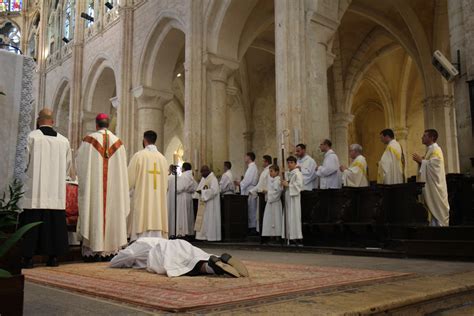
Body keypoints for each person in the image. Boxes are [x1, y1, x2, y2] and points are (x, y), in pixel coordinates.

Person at [20, 108, 72, 268]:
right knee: (54, 225)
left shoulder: (31, 137)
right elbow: (68, 165)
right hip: (55, 192)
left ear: (38, 120)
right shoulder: (64, 141)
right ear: (53, 121)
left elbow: (23, 162)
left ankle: (28, 259)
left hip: (35, 190)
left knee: (32, 224)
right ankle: (53, 258)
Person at [76, 113, 130, 261]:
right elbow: (123, 172)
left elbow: (79, 166)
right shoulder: (119, 143)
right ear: (107, 124)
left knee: (94, 210)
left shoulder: (88, 141)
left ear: (96, 124)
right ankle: (110, 250)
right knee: (113, 211)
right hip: (114, 191)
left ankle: (93, 250)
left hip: (94, 191)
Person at [110, 237, 249, 278]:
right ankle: (220, 259)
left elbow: (128, 255)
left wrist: (114, 260)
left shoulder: (139, 243)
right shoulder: (153, 237)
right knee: (197, 255)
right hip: (178, 243)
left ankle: (213, 268)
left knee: (183, 266)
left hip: (161, 252)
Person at [127, 130, 169, 241]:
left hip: (143, 199)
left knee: (142, 215)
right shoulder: (163, 159)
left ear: (144, 140)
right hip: (158, 201)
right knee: (157, 213)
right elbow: (166, 185)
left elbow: (128, 180)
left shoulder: (139, 156)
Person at [412, 129, 450, 226]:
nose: (422, 137)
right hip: (431, 186)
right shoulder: (430, 150)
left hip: (436, 187)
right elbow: (428, 164)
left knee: (437, 210)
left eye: (424, 136)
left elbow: (435, 166)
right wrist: (421, 162)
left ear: (432, 137)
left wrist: (422, 161)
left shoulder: (436, 150)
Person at [195, 165, 221, 241]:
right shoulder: (204, 179)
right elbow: (198, 189)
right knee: (204, 220)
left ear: (207, 171)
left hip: (211, 205)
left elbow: (214, 191)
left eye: (203, 172)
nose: (201, 174)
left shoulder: (213, 179)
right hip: (203, 204)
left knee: (210, 220)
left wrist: (203, 193)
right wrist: (198, 193)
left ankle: (211, 237)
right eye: (201, 172)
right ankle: (203, 236)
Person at [281, 156, 303, 245]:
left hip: (294, 198)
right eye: (288, 163)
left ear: (295, 163)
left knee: (294, 216)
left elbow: (299, 186)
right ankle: (288, 236)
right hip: (287, 196)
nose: (289, 164)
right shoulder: (287, 173)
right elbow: (285, 185)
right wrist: (282, 183)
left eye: (291, 163)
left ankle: (295, 237)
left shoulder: (298, 174)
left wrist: (288, 185)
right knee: (287, 216)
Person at [235, 152, 259, 234]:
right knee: (250, 209)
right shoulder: (250, 167)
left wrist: (240, 183)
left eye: (245, 156)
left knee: (252, 210)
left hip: (250, 190)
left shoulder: (252, 167)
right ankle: (251, 227)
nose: (244, 158)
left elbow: (248, 180)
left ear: (249, 157)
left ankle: (253, 228)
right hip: (248, 189)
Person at [176, 162, 197, 236]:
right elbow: (195, 187)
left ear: (184, 168)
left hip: (183, 197)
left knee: (183, 214)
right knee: (188, 215)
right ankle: (189, 232)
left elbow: (179, 188)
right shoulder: (191, 176)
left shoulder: (183, 176)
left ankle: (182, 231)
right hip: (189, 196)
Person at [261, 165, 283, 239]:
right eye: (269, 171)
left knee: (276, 219)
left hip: (276, 203)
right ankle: (270, 235)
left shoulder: (278, 180)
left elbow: (278, 192)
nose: (270, 173)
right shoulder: (271, 180)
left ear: (276, 172)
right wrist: (266, 192)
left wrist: (268, 192)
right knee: (269, 219)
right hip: (270, 202)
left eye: (271, 171)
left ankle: (277, 235)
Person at [167, 165, 177, 236]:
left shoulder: (168, 178)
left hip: (168, 198)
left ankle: (170, 232)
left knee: (169, 214)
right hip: (176, 199)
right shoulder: (178, 178)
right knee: (175, 214)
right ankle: (174, 232)